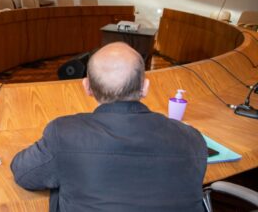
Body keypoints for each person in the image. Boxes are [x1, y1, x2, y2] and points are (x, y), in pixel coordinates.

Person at [11, 42, 207, 212]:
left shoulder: (63, 133)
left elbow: (23, 174)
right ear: (145, 87)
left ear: (86, 87)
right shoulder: (193, 138)